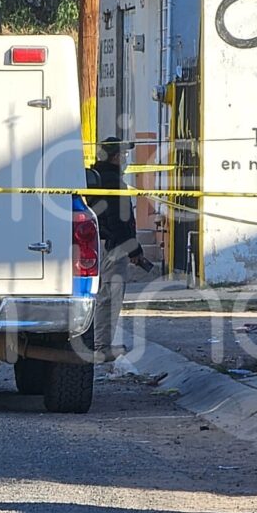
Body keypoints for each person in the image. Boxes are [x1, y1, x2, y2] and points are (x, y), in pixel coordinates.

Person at [88, 137, 145, 361]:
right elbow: (119, 221)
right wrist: (134, 250)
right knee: (109, 297)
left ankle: (98, 342)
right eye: (123, 155)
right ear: (115, 157)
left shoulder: (96, 177)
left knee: (101, 296)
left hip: (100, 243)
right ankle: (101, 347)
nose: (126, 159)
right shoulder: (113, 182)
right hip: (114, 246)